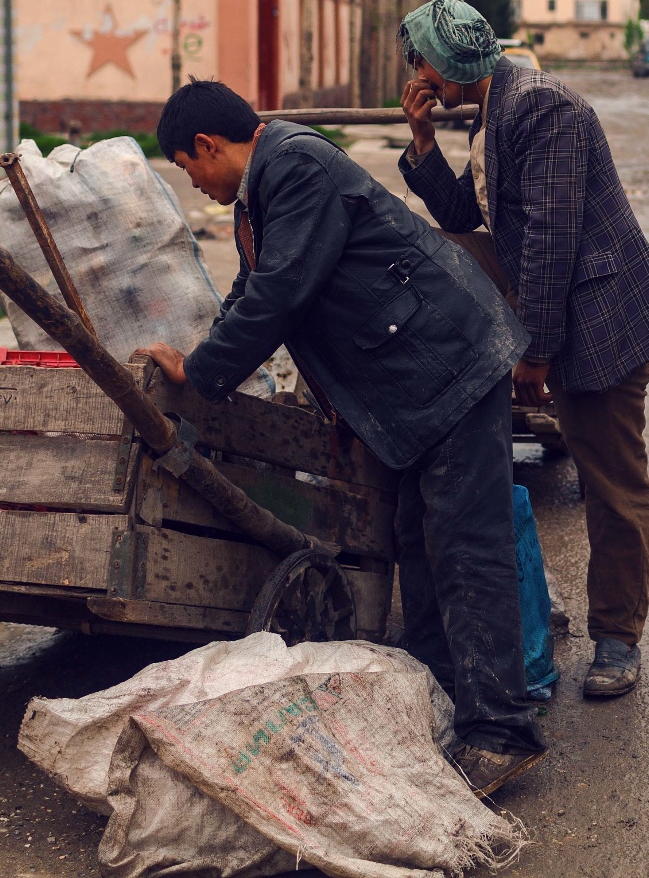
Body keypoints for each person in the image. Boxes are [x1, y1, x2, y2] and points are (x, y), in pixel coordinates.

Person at [140, 80, 545, 797]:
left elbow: (281, 292)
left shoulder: (295, 166)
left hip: (449, 362)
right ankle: (441, 696)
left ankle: (502, 729)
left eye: (186, 166)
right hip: (417, 379)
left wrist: (204, 373)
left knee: (464, 545)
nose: (193, 183)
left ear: (208, 145)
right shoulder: (268, 188)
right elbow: (254, 288)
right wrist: (198, 359)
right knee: (417, 538)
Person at [396, 0, 649, 701]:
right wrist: (422, 141)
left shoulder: (541, 107)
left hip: (601, 315)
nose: (417, 72)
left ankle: (618, 636)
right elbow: (470, 217)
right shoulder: (491, 115)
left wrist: (535, 355)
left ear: (456, 59)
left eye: (423, 59)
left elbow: (551, 241)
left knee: (612, 479)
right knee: (442, 250)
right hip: (557, 306)